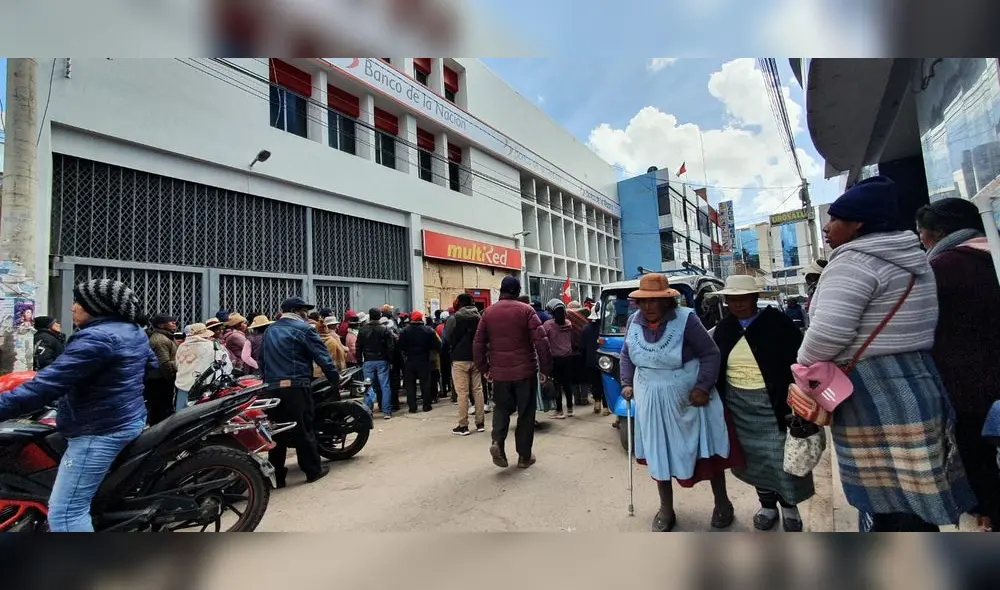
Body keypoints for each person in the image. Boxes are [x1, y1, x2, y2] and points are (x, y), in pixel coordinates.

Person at [797, 176, 975, 531]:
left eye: (835, 219)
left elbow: (826, 336)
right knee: (915, 498)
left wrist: (803, 365)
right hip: (918, 380)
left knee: (884, 503)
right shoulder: (913, 258)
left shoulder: (852, 262)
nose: (827, 229)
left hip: (872, 392)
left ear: (858, 223)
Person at [0, 279, 151, 532]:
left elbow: (46, 386)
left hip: (99, 430)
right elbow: (151, 367)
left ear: (96, 307)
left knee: (65, 513)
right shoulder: (133, 331)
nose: (72, 308)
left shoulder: (97, 338)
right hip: (127, 417)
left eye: (79, 303)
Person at [619, 273, 744, 532]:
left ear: (666, 302)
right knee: (658, 452)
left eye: (654, 301)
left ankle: (723, 504)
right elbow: (626, 355)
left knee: (704, 450)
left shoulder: (686, 320)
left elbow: (710, 353)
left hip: (689, 399)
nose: (648, 306)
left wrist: (702, 387)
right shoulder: (633, 322)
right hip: (651, 399)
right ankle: (666, 509)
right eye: (643, 301)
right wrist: (626, 383)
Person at [916, 197, 1000, 531]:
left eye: (920, 232)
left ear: (935, 233)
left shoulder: (940, 269)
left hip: (966, 389)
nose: (920, 239)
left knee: (976, 461)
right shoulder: (991, 255)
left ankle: (988, 517)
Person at [711, 275, 812, 532]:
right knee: (754, 460)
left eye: (742, 298)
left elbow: (799, 359)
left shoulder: (778, 323)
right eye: (731, 299)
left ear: (755, 297)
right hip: (738, 406)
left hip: (775, 406)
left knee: (782, 459)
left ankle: (789, 507)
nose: (737, 304)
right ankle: (766, 505)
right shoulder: (724, 329)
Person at [474, 276, 552, 469]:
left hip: (499, 374)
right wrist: (545, 369)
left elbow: (478, 344)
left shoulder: (488, 313)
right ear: (517, 292)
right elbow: (542, 342)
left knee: (501, 409)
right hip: (525, 372)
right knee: (525, 414)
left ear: (501, 291)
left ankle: (497, 442)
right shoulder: (526, 310)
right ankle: (524, 457)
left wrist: (485, 369)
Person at [262, 296, 340, 487]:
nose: (306, 313)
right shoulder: (304, 329)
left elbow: (261, 359)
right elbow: (322, 356)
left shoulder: (269, 330)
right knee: (303, 428)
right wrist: (334, 379)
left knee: (276, 431)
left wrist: (268, 381)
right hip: (296, 386)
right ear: (297, 311)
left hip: (272, 387)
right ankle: (313, 470)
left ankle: (277, 477)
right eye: (304, 310)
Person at [446, 294, 485, 435]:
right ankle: (480, 423)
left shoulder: (454, 318)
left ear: (459, 304)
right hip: (475, 357)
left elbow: (448, 337)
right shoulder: (479, 318)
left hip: (459, 359)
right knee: (478, 390)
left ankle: (463, 425)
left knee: (462, 393)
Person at [175, 322, 233, 411]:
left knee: (181, 416)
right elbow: (226, 366)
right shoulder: (213, 346)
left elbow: (177, 364)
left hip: (182, 385)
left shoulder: (182, 346)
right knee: (200, 414)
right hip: (202, 387)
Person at [356, 307, 395, 419]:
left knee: (368, 387)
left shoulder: (363, 330)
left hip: (368, 360)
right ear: (380, 316)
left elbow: (358, 346)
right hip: (382, 360)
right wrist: (390, 360)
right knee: (385, 386)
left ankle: (367, 412)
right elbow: (390, 347)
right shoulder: (385, 329)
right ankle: (386, 411)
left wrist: (359, 360)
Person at [398, 311, 440, 413]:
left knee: (410, 385)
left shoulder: (404, 331)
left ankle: (412, 407)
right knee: (425, 383)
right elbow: (437, 345)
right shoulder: (428, 330)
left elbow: (400, 345)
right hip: (424, 359)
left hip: (410, 360)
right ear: (421, 319)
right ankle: (427, 405)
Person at [543, 299, 579, 419]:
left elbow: (543, 341)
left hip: (555, 359)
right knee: (567, 384)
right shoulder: (569, 323)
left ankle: (559, 411)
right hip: (569, 358)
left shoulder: (548, 325)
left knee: (556, 384)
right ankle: (570, 409)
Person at [145, 314, 179, 425]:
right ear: (161, 325)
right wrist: (171, 377)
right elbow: (164, 364)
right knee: (160, 409)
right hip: (160, 379)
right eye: (171, 322)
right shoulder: (161, 340)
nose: (174, 323)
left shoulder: (166, 337)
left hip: (160, 378)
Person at [581, 307, 609, 416]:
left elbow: (582, 347)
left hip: (591, 361)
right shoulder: (606, 329)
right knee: (605, 383)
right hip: (605, 361)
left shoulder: (585, 329)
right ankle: (606, 407)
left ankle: (597, 403)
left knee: (595, 383)